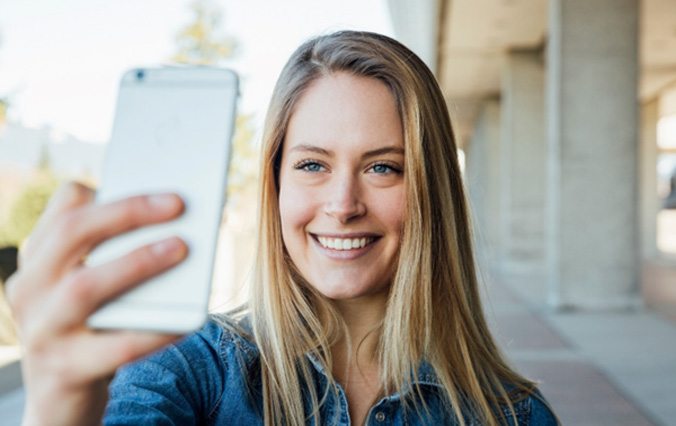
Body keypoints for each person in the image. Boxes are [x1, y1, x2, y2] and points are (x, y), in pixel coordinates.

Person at [7, 31, 557, 425]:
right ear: (274, 185)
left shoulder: (512, 414)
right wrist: (57, 406)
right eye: (312, 165)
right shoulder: (190, 370)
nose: (342, 205)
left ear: (431, 194)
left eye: (382, 167)